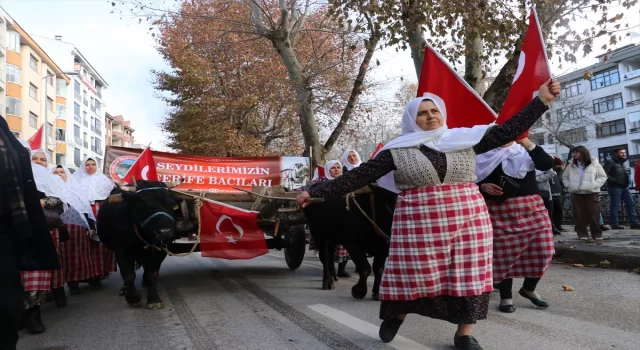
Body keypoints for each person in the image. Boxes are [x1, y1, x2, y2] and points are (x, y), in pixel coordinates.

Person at [297, 80, 560, 350]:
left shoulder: (466, 140)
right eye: (422, 113)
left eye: (434, 111)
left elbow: (511, 129)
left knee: (468, 275)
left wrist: (541, 100)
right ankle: (397, 314)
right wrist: (314, 190)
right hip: (419, 223)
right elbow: (357, 178)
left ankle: (464, 334)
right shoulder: (396, 151)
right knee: (415, 274)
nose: (430, 116)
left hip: (469, 220)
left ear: (442, 114)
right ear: (412, 119)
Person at [475, 140, 555, 314]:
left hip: (532, 208)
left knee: (545, 250)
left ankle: (528, 288)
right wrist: (482, 186)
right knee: (505, 255)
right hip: (499, 210)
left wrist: (527, 142)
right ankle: (506, 297)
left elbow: (547, 164)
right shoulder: (481, 154)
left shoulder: (525, 150)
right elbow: (466, 181)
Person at [52, 165, 101, 295]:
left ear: (67, 175)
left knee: (83, 256)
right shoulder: (49, 190)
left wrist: (91, 227)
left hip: (78, 228)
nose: (59, 174)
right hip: (59, 228)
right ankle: (72, 283)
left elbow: (85, 209)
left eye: (62, 172)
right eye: (55, 172)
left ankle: (92, 279)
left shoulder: (75, 190)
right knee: (65, 257)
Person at [73, 157, 117, 287]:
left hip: (100, 212)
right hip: (81, 213)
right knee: (84, 244)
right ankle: (83, 274)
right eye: (87, 164)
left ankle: (98, 274)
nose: (90, 167)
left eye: (93, 164)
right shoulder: (75, 179)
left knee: (100, 245)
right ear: (83, 166)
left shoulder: (105, 181)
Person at [563, 146, 607, 244]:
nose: (574, 154)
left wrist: (594, 185)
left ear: (583, 153)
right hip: (577, 193)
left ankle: (597, 235)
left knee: (594, 213)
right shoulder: (571, 165)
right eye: (573, 153)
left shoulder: (594, 163)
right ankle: (582, 234)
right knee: (579, 214)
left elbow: (602, 176)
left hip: (591, 192)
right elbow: (565, 177)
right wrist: (569, 185)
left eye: (576, 152)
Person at [603, 147, 640, 229]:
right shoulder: (610, 162)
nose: (624, 154)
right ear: (616, 153)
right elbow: (604, 174)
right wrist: (614, 181)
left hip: (625, 187)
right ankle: (614, 224)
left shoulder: (622, 162)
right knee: (615, 205)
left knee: (631, 204)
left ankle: (634, 223)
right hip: (615, 187)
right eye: (621, 153)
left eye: (625, 153)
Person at [535, 169, 562, 235]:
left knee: (548, 212)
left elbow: (551, 173)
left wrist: (536, 179)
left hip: (544, 191)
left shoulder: (542, 162)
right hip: (531, 191)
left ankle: (550, 228)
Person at [550, 158, 566, 231]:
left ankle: (558, 225)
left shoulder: (557, 171)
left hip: (558, 192)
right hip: (552, 193)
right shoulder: (551, 170)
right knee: (553, 211)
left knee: (559, 210)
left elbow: (560, 179)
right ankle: (554, 226)